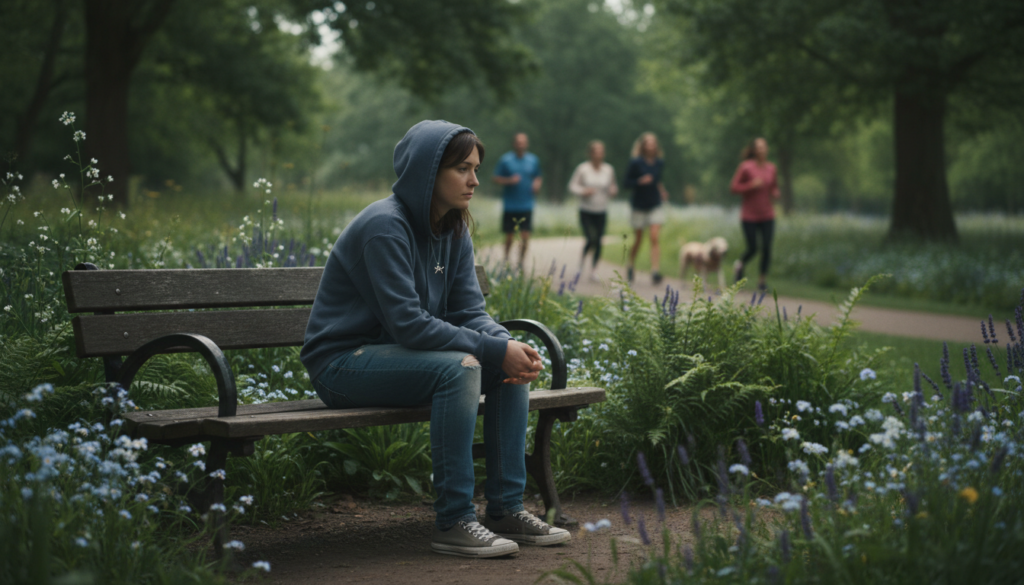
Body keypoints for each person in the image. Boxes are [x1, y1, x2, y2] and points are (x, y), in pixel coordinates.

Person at [301, 121, 570, 558]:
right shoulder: (384, 227)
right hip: (342, 364)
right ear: (428, 171)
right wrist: (491, 350)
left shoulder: (453, 228)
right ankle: (455, 520)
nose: (475, 180)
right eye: (462, 168)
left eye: (476, 169)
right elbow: (408, 323)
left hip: (399, 357)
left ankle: (505, 509)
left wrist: (504, 344)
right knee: (461, 367)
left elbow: (468, 311)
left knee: (504, 369)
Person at [729, 137, 780, 291]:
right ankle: (739, 264)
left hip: (767, 214)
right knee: (753, 248)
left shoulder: (772, 168)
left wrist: (776, 192)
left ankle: (762, 281)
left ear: (767, 149)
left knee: (767, 247)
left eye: (764, 147)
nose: (761, 150)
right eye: (758, 147)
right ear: (754, 150)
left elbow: (774, 187)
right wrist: (751, 185)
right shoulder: (745, 167)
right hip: (749, 215)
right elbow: (733, 188)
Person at [568, 140, 618, 282]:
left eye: (601, 151)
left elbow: (613, 186)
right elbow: (572, 186)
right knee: (591, 238)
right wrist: (583, 191)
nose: (598, 154)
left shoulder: (609, 169)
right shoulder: (582, 169)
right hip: (586, 210)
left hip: (602, 209)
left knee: (599, 240)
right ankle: (581, 264)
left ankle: (594, 270)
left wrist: (613, 191)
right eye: (596, 151)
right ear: (590, 153)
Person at [623, 132, 669, 285]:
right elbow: (626, 183)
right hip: (639, 205)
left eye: (653, 143)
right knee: (638, 239)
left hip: (654, 203)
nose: (651, 145)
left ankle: (655, 271)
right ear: (643, 146)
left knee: (654, 237)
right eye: (648, 143)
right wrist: (639, 181)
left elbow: (657, 180)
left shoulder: (659, 163)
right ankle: (630, 264)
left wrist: (662, 190)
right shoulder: (635, 163)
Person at [492, 132, 542, 268]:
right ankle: (506, 261)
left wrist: (537, 184)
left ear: (527, 144)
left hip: (527, 204)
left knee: (525, 237)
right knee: (509, 237)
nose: (521, 144)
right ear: (514, 144)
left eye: (523, 142)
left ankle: (520, 264)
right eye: (518, 142)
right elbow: (495, 178)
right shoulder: (505, 160)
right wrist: (509, 180)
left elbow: (538, 176)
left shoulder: (533, 160)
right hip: (510, 205)